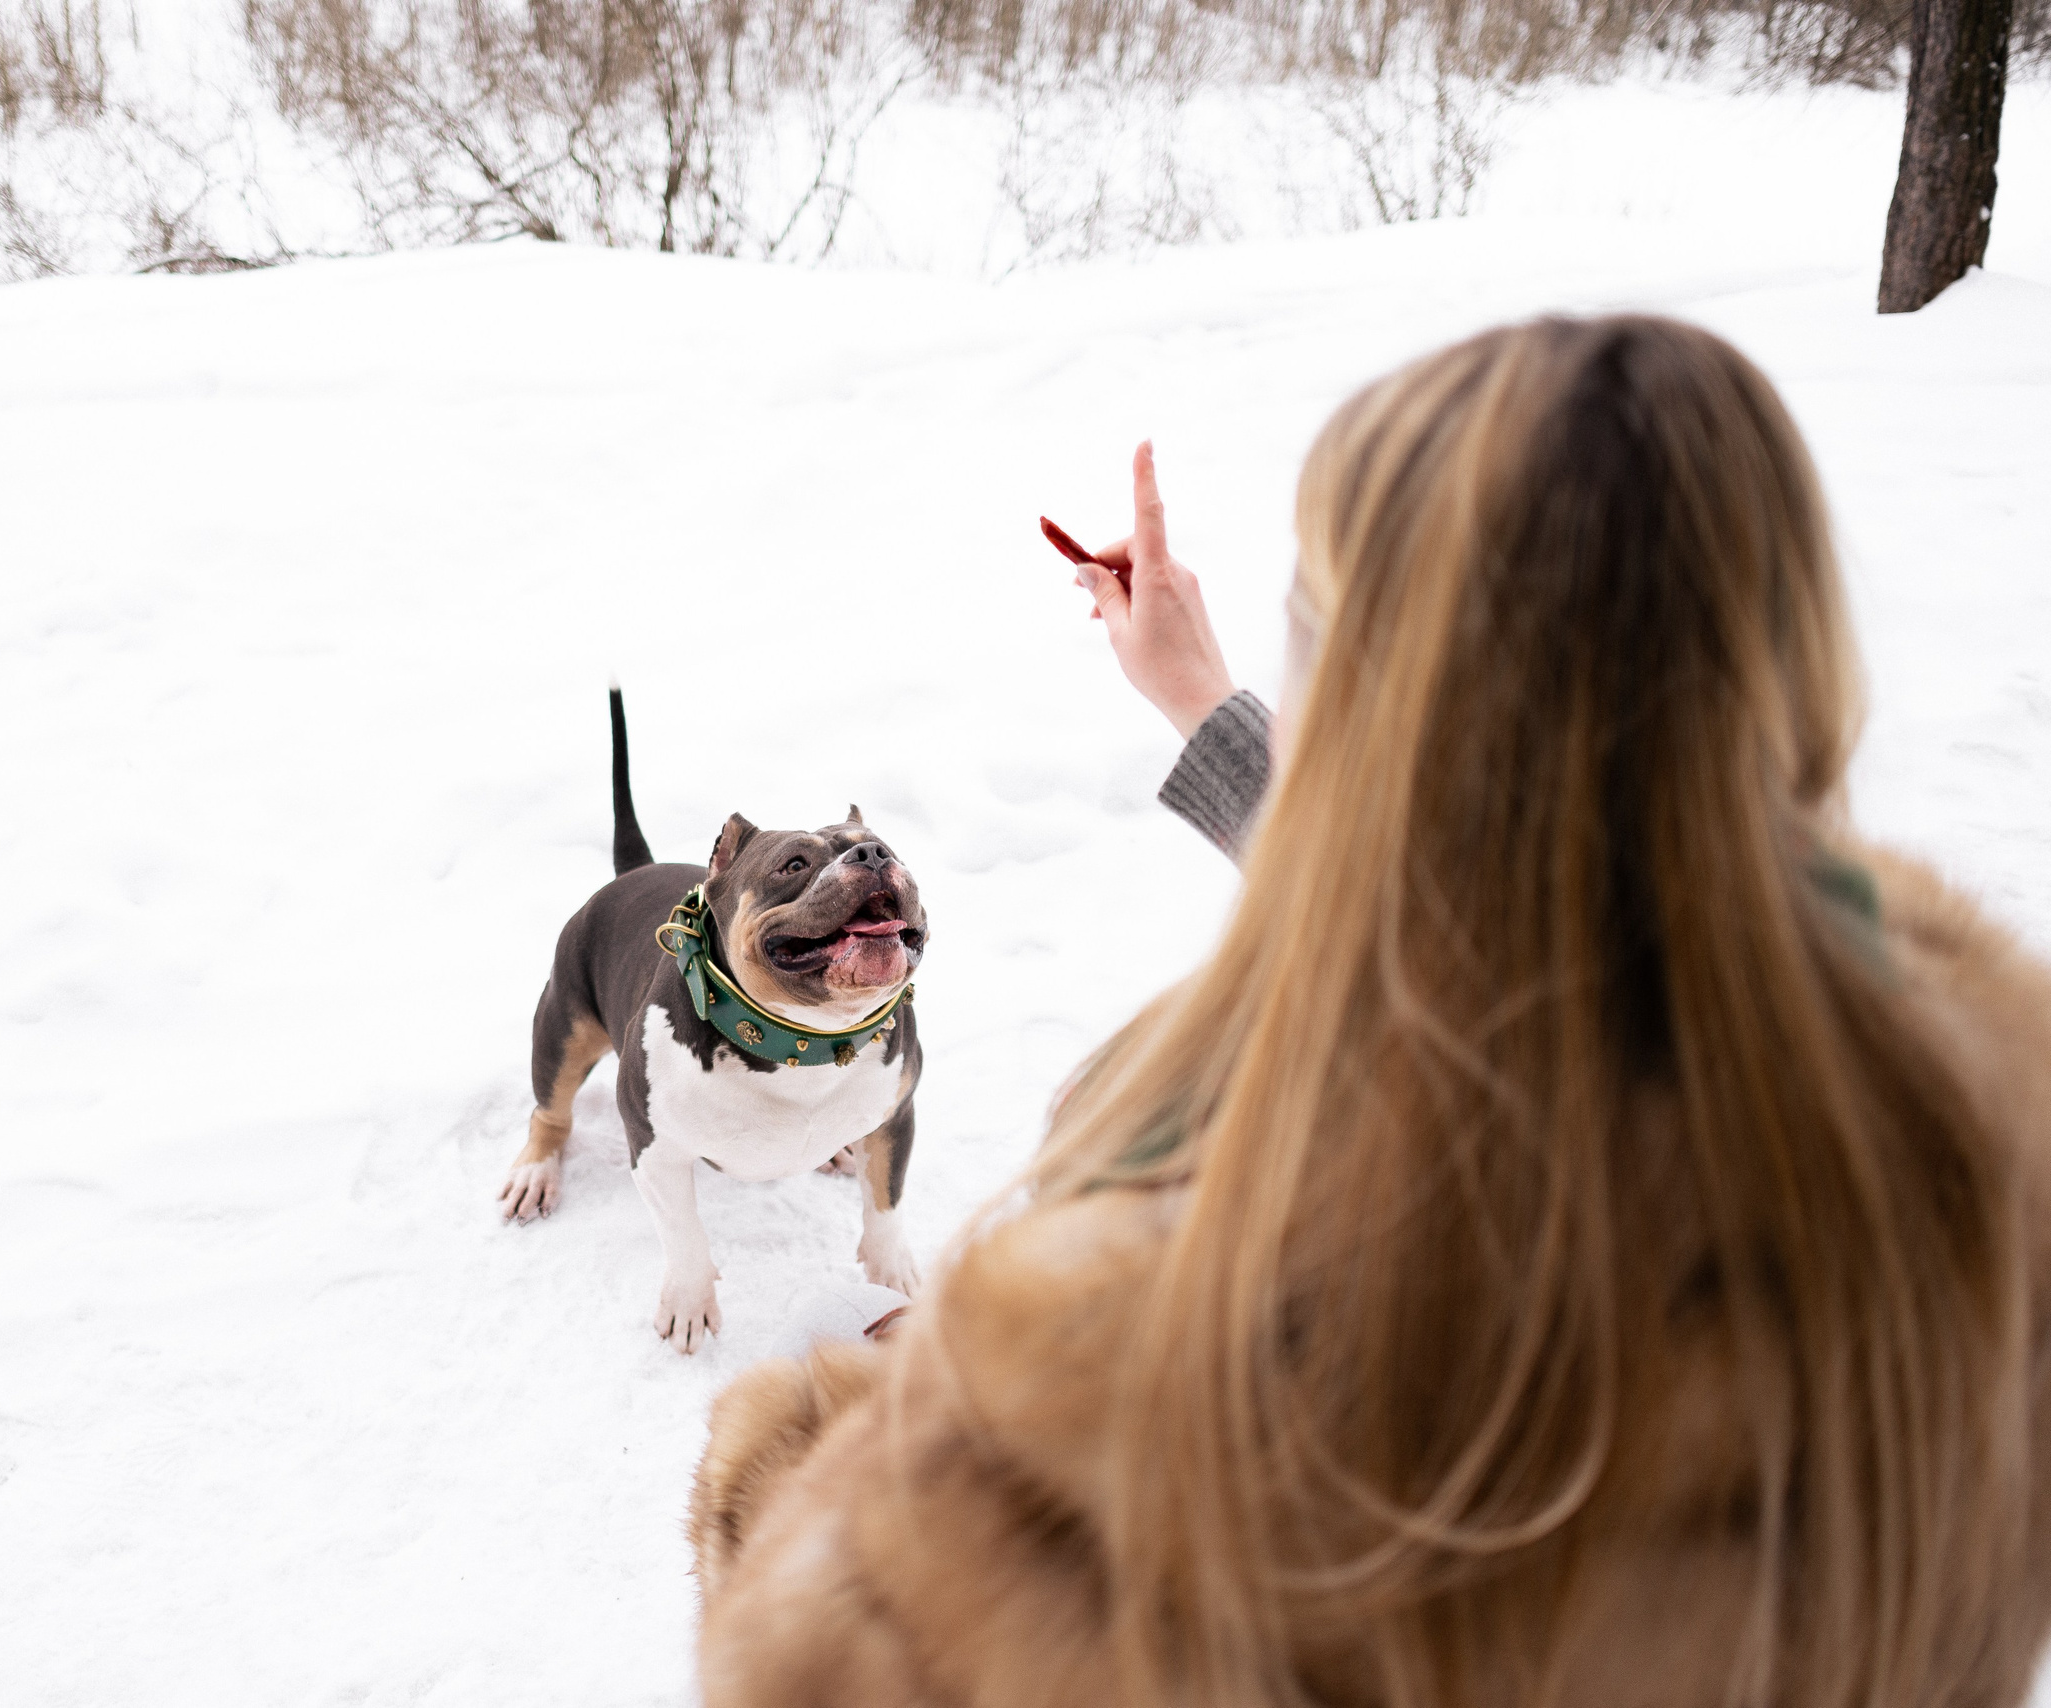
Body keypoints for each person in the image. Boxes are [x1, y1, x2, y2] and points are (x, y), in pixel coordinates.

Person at [684, 315, 2051, 1708]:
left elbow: (811, 1664)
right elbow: (1537, 905)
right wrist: (1206, 703)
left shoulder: (1250, 1275)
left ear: (1373, 702)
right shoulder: (1984, 1109)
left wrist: (911, 1414)